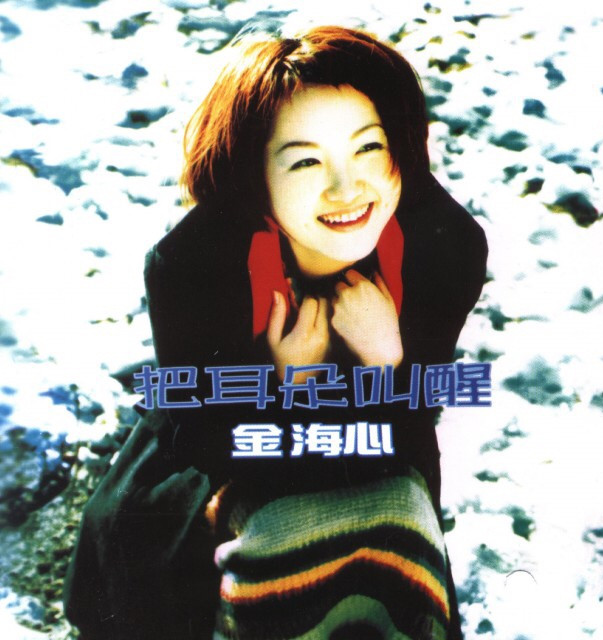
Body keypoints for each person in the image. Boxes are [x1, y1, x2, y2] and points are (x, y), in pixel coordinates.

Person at [65, 26, 487, 640]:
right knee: (285, 533)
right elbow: (202, 439)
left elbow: (412, 422)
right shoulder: (196, 264)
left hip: (374, 462)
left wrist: (386, 363)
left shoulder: (441, 247)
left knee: (393, 525)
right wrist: (285, 383)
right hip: (213, 478)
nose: (346, 189)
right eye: (306, 160)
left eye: (368, 148)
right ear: (255, 175)